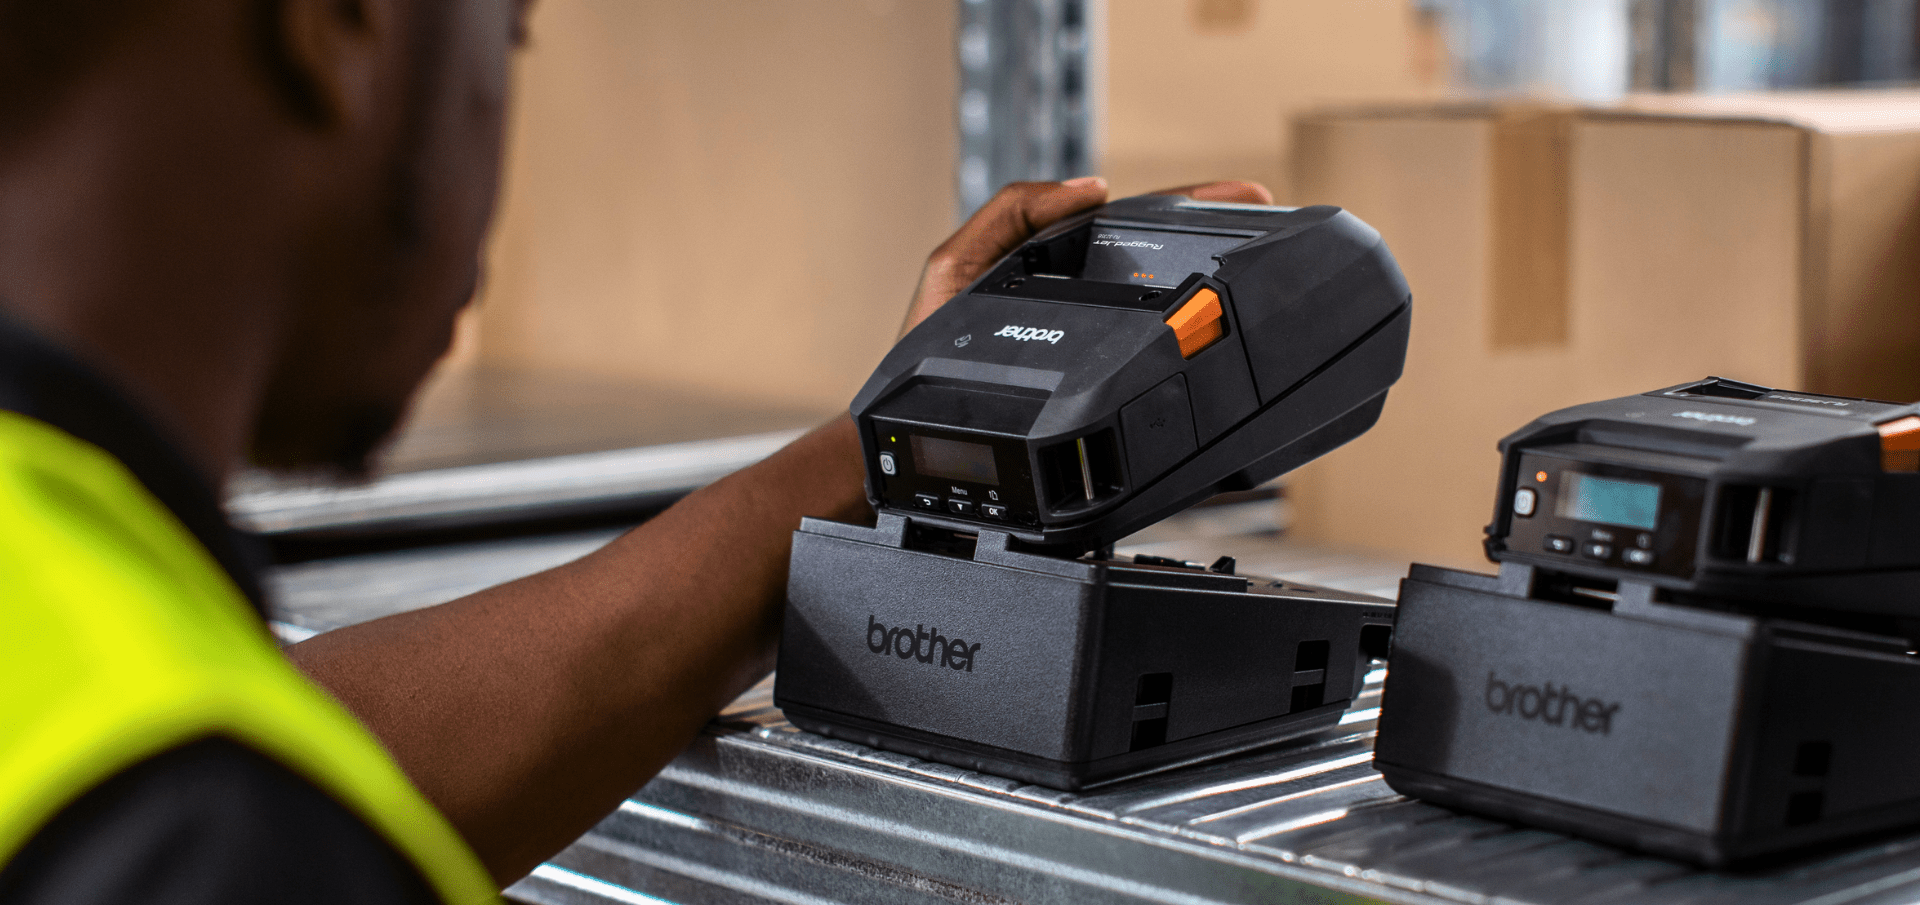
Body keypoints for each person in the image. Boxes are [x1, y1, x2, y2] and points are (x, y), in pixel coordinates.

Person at [0, 0, 1272, 901]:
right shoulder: (194, 833)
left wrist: (887, 441)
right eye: (510, 30)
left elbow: (321, 742)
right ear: (337, 22)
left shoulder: (87, 645)